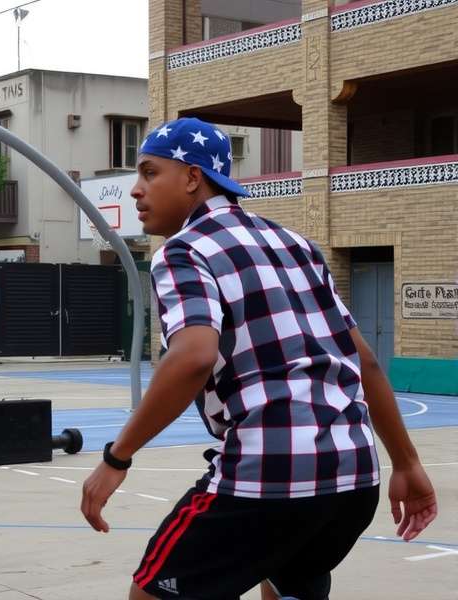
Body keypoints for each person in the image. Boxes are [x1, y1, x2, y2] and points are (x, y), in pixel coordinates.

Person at [80, 117, 437, 600]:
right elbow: (365, 363)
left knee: (152, 593)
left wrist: (116, 457)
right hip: (353, 476)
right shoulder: (298, 246)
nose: (135, 191)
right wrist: (407, 463)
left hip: (268, 474)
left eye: (148, 173)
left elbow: (193, 356)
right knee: (286, 576)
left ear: (192, 177)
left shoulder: (183, 252)